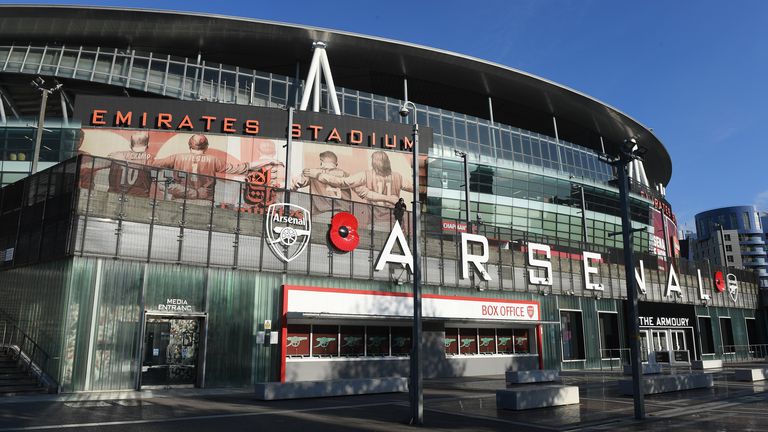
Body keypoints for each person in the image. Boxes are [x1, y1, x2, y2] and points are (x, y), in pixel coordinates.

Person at [152, 134, 278, 200]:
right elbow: (241, 168)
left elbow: (154, 163)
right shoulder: (214, 160)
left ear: (189, 146)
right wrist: (267, 160)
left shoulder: (177, 157)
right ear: (206, 147)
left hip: (179, 199)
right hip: (205, 201)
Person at [303, 150, 412, 219]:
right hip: (395, 218)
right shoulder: (398, 176)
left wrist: (319, 175)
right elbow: (416, 189)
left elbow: (343, 182)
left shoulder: (365, 175)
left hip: (375, 220)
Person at [81, 131, 154, 197]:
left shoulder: (115, 155)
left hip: (114, 196)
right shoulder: (151, 159)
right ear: (148, 145)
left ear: (130, 145)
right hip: (138, 198)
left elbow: (93, 165)